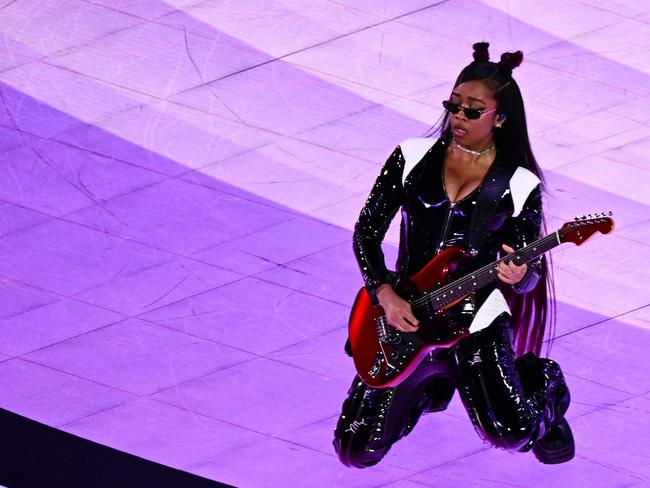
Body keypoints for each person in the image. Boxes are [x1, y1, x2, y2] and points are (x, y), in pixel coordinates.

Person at [333, 42, 575, 468]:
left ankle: (546, 385)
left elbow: (529, 268)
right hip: (407, 309)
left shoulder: (518, 183)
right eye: (454, 105)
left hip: (475, 315)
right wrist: (385, 294)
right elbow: (367, 232)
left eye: (472, 110)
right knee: (355, 450)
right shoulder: (411, 156)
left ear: (499, 118)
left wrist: (521, 275)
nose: (458, 116)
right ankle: (426, 388)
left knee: (512, 433)